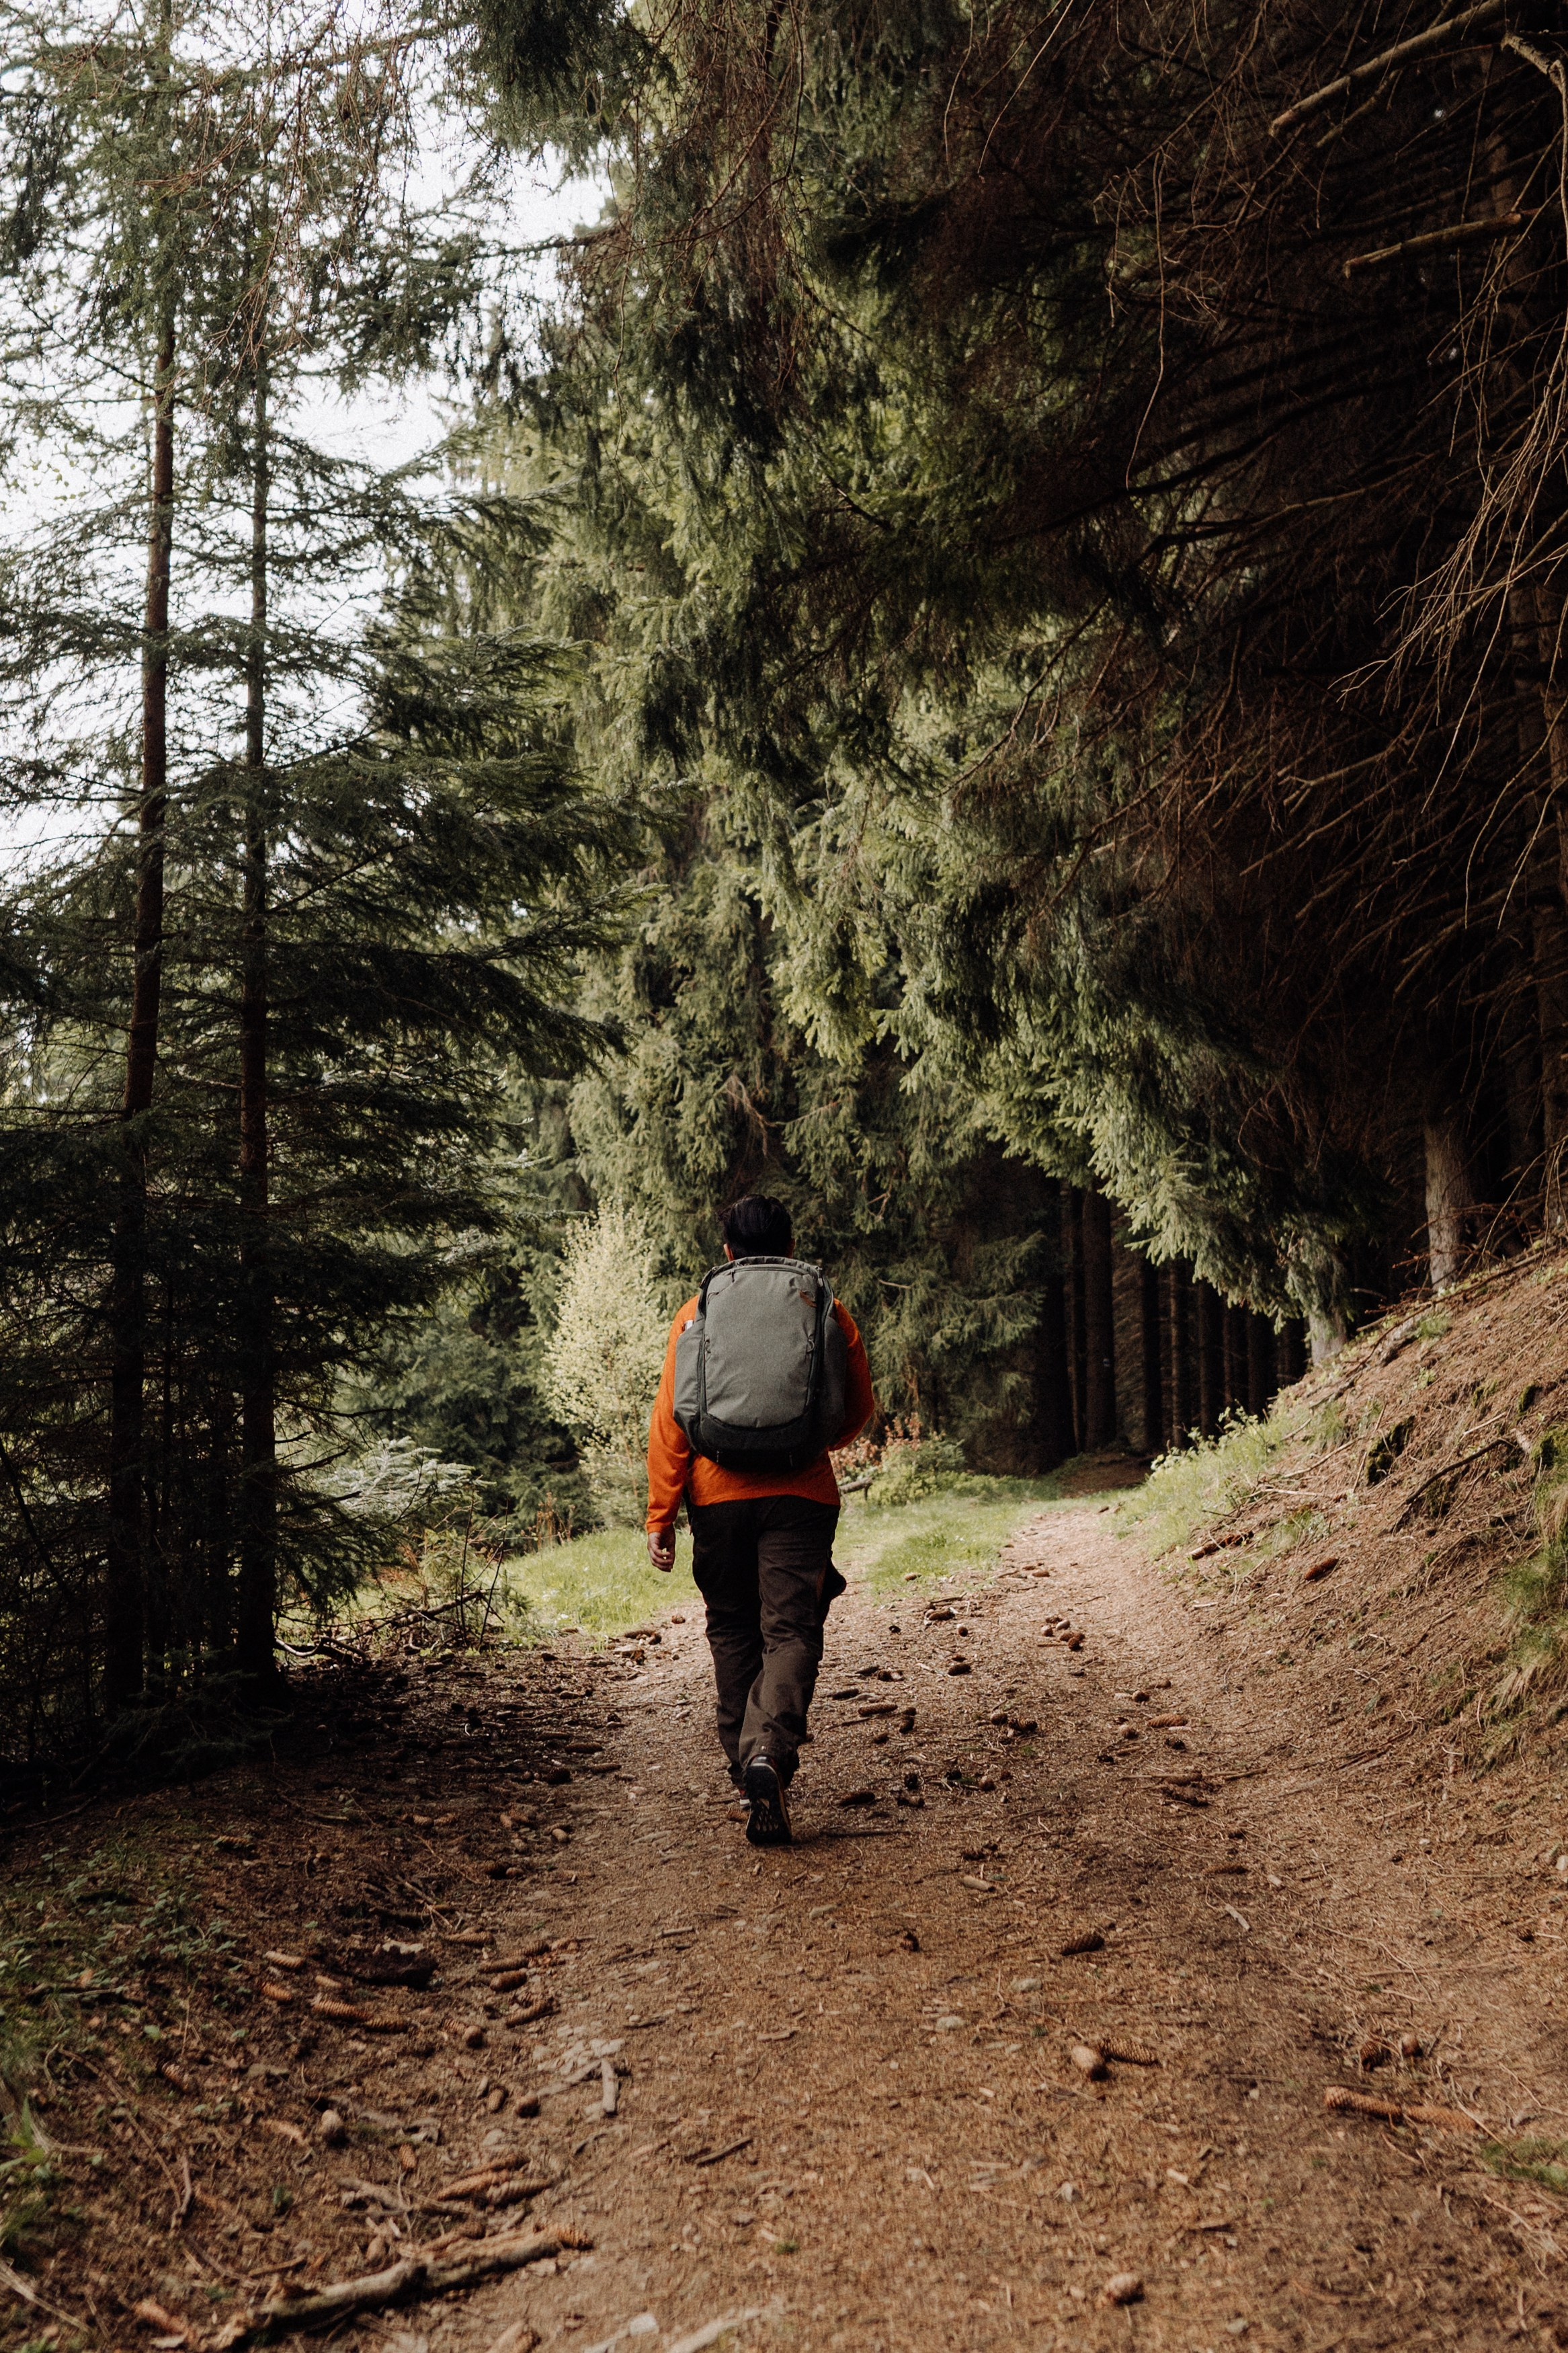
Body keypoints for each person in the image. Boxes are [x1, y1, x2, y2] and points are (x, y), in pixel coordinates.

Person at [645, 1195, 875, 1846]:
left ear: (726, 1252)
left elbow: (671, 1422)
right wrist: (802, 1446)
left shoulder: (696, 1315)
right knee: (791, 1627)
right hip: (801, 1495)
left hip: (715, 1498)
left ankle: (747, 1763)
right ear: (788, 1243)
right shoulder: (822, 1305)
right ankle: (767, 1752)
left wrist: (659, 1514)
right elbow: (855, 1405)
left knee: (732, 1628)